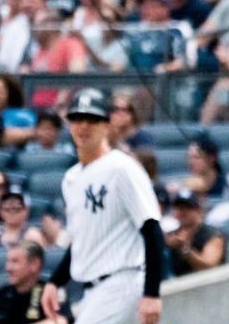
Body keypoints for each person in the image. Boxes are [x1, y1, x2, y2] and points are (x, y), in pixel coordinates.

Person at [40, 88, 164, 324]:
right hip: (91, 290)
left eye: (92, 119)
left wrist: (152, 294)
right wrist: (55, 281)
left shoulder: (122, 168)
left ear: (106, 125)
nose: (83, 126)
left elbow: (152, 229)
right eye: (77, 119)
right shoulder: (71, 178)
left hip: (121, 282)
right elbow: (81, 241)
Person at [0, 241, 67, 323]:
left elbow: (61, 321)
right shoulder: (3, 293)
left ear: (34, 264)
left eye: (15, 261)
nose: (8, 268)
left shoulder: (49, 292)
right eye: (8, 261)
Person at [165, 189, 224, 278]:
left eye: (187, 207)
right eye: (178, 207)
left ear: (198, 210)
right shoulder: (171, 235)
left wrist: (184, 250)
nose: (182, 211)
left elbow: (210, 269)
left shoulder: (212, 235)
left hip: (204, 286)